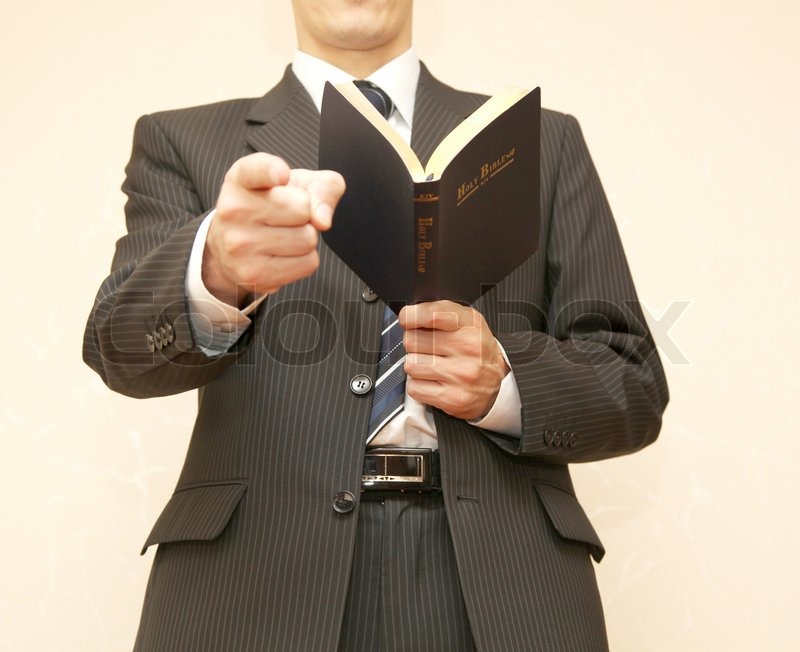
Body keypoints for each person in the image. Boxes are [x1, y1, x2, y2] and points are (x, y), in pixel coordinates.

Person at [83, 0, 669, 649]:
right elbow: (119, 349)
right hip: (254, 581)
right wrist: (215, 270)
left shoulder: (543, 143)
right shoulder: (181, 142)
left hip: (499, 587)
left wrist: (507, 383)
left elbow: (634, 383)